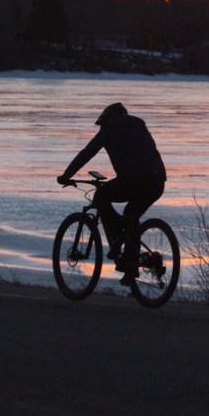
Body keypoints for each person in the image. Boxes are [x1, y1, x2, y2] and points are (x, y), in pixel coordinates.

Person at [57, 102, 166, 285]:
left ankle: (116, 240)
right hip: (157, 181)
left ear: (108, 118)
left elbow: (87, 153)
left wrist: (66, 176)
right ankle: (130, 268)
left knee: (100, 197)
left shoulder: (109, 128)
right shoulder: (139, 125)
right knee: (131, 215)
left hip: (133, 180)